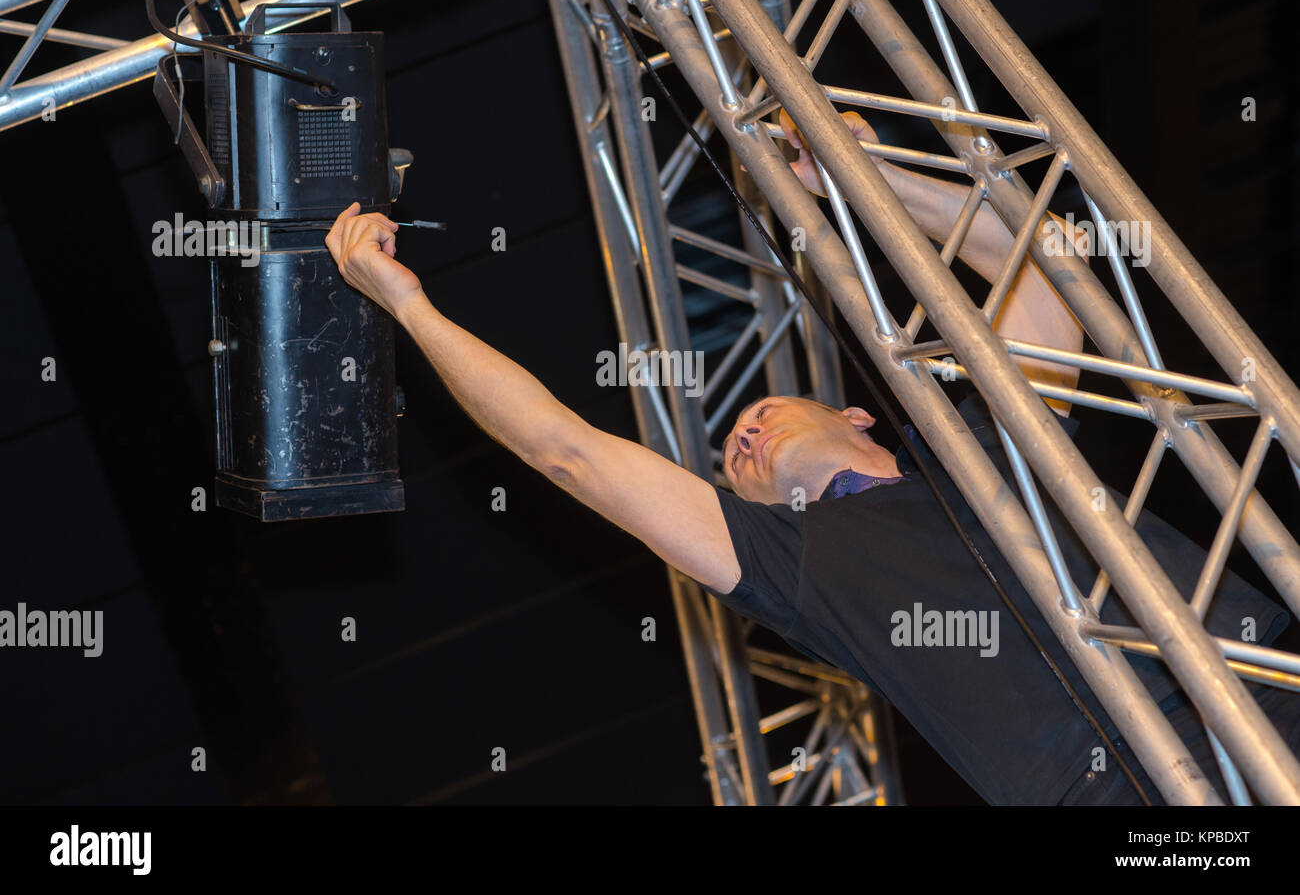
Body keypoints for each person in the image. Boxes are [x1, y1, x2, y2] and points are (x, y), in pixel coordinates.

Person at [324, 111, 1299, 805]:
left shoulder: (977, 440)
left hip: (1260, 676)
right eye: (728, 461)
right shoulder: (790, 565)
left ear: (854, 415)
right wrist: (410, 307)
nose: (736, 442)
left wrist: (865, 181)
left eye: (758, 414)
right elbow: (563, 449)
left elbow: (1044, 261)